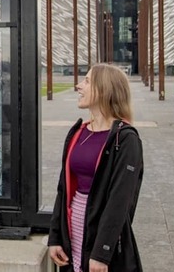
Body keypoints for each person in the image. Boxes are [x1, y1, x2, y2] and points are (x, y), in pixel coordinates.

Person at [48, 64, 144, 272]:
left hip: (100, 234)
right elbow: (63, 188)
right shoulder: (77, 133)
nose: (78, 86)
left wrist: (102, 252)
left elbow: (120, 200)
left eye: (87, 81)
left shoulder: (126, 140)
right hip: (72, 230)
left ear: (104, 89)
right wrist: (55, 236)